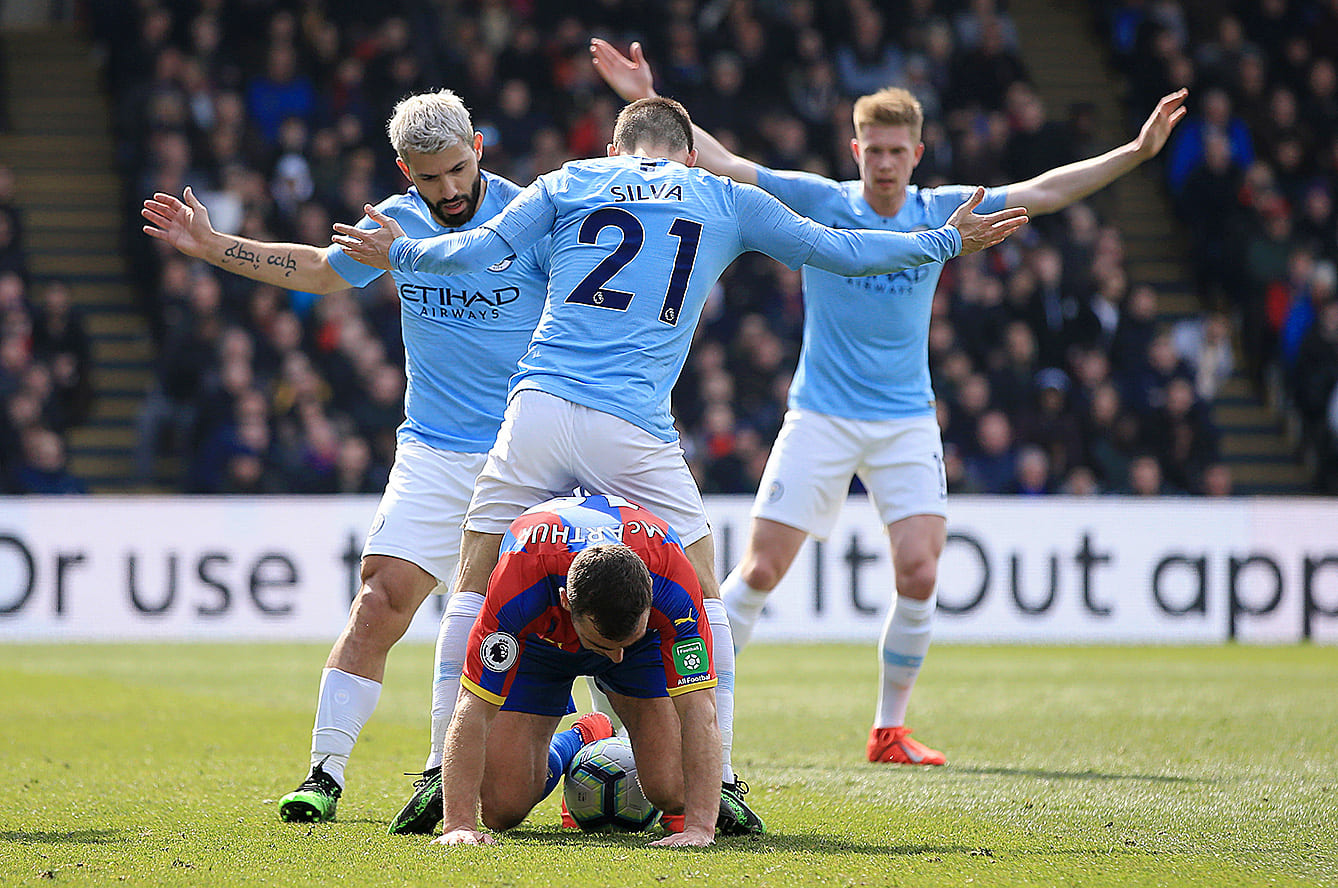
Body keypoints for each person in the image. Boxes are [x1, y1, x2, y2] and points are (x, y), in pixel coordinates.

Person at [333, 95, 1026, 831]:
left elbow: (482, 245)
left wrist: (401, 254)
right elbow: (838, 248)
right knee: (704, 588)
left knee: (473, 585)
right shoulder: (722, 196)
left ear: (616, 146)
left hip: (536, 407)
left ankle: (444, 780)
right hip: (631, 427)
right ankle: (719, 782)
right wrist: (942, 244)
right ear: (689, 154)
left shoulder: (573, 180)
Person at [590, 39, 1187, 765]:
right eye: (873, 149)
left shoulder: (943, 209)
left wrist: (1135, 150)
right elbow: (719, 160)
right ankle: (705, 706)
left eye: (896, 151)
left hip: (905, 419)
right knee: (758, 571)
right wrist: (647, 99)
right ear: (856, 147)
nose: (883, 162)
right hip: (820, 413)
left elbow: (1045, 192)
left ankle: (888, 729)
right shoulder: (820, 198)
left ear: (918, 153)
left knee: (921, 572)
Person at [141, 89, 550, 827]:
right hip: (432, 448)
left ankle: (440, 773)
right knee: (378, 601)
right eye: (431, 178)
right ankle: (323, 776)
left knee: (483, 612)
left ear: (480, 147)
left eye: (458, 170)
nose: (449, 190)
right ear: (405, 170)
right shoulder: (393, 223)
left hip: (524, 453)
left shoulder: (531, 217)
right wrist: (212, 247)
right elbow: (318, 269)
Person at [433, 492, 724, 848]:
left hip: (643, 650)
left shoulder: (671, 578)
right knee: (500, 809)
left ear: (650, 594)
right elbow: (473, 707)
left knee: (672, 787)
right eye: (605, 646)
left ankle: (628, 645)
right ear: (566, 600)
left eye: (622, 644)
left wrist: (699, 829)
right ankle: (581, 738)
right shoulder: (518, 579)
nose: (615, 658)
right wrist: (457, 825)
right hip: (540, 640)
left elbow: (700, 710)